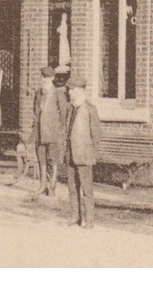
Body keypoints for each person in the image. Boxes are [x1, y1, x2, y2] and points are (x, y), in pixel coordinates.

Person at [26, 67, 71, 197]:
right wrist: (33, 132)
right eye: (43, 77)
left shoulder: (58, 93)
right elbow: (35, 113)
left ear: (52, 78)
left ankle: (52, 186)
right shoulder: (38, 93)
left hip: (52, 133)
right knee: (41, 159)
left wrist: (59, 128)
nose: (44, 80)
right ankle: (42, 186)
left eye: (47, 77)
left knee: (53, 160)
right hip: (40, 133)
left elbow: (63, 113)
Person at [64, 76, 100, 227]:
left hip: (84, 156)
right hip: (71, 154)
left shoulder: (90, 109)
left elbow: (96, 134)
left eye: (71, 90)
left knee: (87, 189)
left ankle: (89, 219)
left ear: (78, 91)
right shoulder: (71, 108)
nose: (69, 92)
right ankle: (75, 216)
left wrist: (91, 153)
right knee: (72, 188)